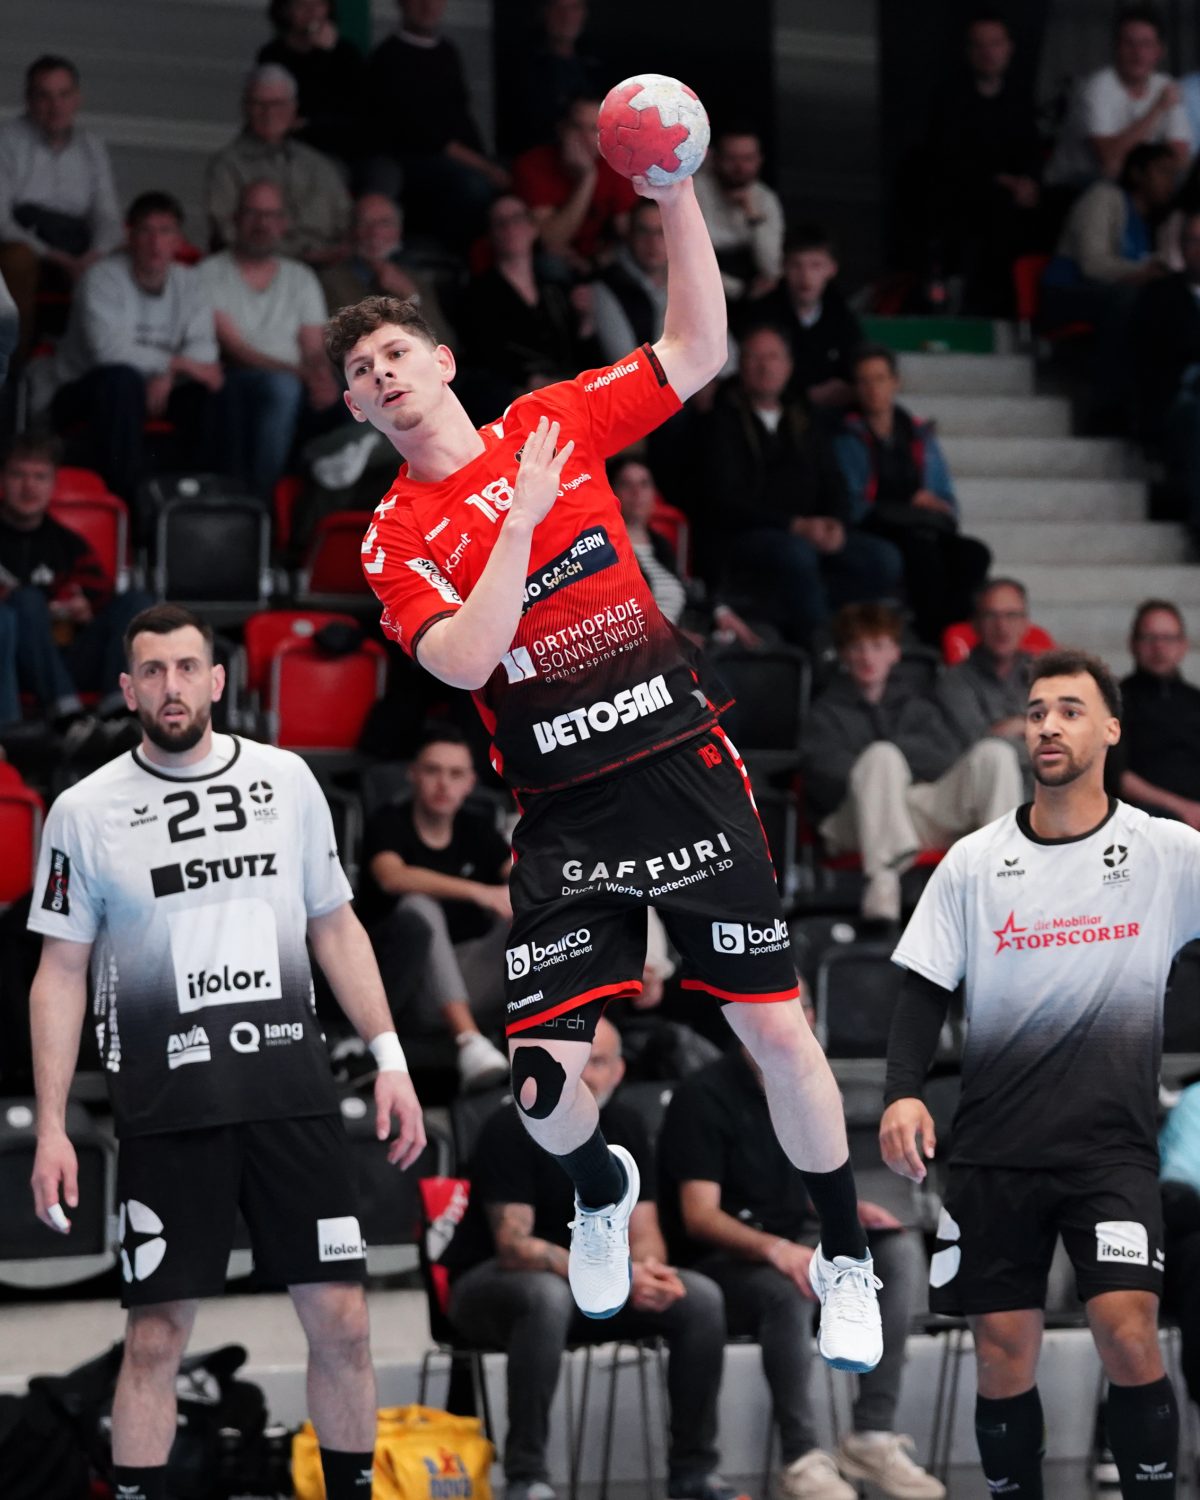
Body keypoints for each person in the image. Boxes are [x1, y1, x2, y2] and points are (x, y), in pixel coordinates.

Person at [327, 160, 882, 1363]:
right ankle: (595, 1193)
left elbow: (697, 345)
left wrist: (675, 187)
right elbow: (470, 663)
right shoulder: (394, 536)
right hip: (564, 812)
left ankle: (845, 1260)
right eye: (360, 376)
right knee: (539, 1091)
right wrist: (519, 525)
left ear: (442, 366)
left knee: (779, 1035)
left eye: (395, 357)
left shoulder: (552, 420)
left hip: (681, 762)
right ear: (360, 415)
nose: (381, 376)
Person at [26, 602, 425, 1500]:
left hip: (291, 1091)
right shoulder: (85, 812)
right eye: (153, 672)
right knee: (156, 1339)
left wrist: (392, 1057)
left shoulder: (286, 782)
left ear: (217, 680)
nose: (172, 686)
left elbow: (336, 925)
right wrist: (53, 1125)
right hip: (171, 1110)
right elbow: (58, 973)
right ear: (129, 690)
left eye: (186, 668)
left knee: (344, 1322)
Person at [881, 648, 1193, 1498]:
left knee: (1129, 1334)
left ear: (1111, 729)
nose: (1048, 725)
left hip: (1110, 1152)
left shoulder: (1166, 853)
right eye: (1037, 711)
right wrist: (902, 1090)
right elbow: (921, 989)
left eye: (1069, 710)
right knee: (1001, 1354)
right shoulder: (974, 862)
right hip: (993, 1150)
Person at [448, 1017, 739, 1500]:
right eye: (576, 1061)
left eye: (598, 1062)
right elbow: (514, 1244)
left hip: (596, 1284)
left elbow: (645, 1231)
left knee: (699, 1297)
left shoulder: (626, 1125)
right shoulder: (509, 1125)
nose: (586, 1075)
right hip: (496, 1286)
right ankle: (527, 1478)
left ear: (620, 1071)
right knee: (545, 1298)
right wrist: (616, 1274)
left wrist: (644, 1272)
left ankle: (693, 1472)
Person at [660, 1039, 943, 1500]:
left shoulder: (803, 1085)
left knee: (895, 1252)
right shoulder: (702, 1095)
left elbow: (800, 1185)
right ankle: (801, 1457)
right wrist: (776, 1250)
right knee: (787, 1286)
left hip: (793, 1240)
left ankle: (871, 1434)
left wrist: (849, 1211)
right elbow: (700, 1215)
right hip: (721, 1264)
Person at [801, 603, 1023, 923]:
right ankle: (883, 882)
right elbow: (824, 780)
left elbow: (946, 756)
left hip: (915, 813)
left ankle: (1003, 878)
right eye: (858, 648)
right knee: (880, 758)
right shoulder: (825, 711)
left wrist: (895, 768)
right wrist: (881, 769)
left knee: (995, 754)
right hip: (857, 820)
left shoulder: (918, 702)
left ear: (894, 652)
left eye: (877, 646)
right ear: (844, 655)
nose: (867, 657)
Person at [703, 326, 902, 646]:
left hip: (809, 532)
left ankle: (827, 626)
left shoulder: (805, 416)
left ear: (789, 366)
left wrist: (835, 523)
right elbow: (726, 499)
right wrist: (794, 525)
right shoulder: (720, 420)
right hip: (748, 536)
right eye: (754, 357)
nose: (765, 366)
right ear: (741, 366)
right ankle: (821, 646)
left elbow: (833, 479)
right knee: (797, 556)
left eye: (773, 357)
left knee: (884, 559)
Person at [357, 724, 513, 1090]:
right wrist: (481, 892)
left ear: (471, 782)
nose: (444, 784)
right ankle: (470, 1042)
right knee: (419, 909)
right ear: (413, 775)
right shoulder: (388, 823)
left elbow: (521, 878)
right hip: (410, 989)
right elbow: (392, 877)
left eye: (455, 773)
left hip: (473, 976)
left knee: (535, 913)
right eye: (433, 770)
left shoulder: (477, 829)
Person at [44, 192, 222, 509]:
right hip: (80, 391)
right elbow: (109, 353)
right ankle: (127, 505)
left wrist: (168, 373)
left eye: (165, 231)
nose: (155, 242)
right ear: (130, 236)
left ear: (179, 241)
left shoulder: (191, 281)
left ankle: (201, 505)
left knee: (213, 392)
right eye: (146, 230)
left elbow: (206, 354)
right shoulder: (101, 277)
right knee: (121, 380)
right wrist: (174, 364)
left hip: (159, 392)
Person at [835, 345, 990, 644]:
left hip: (921, 524)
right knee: (924, 556)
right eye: (864, 380)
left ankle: (951, 637)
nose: (872, 388)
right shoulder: (846, 436)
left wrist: (936, 504)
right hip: (876, 525)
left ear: (896, 382)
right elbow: (851, 504)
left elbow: (947, 501)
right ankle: (934, 640)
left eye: (880, 378)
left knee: (975, 555)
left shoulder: (919, 433)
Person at [200, 179, 341, 498]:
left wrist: (321, 377)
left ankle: (322, 493)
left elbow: (313, 346)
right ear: (236, 218)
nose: (262, 223)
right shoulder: (208, 273)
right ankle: (259, 503)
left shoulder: (300, 276)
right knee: (282, 389)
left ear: (283, 223)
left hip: (297, 379)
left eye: (271, 214)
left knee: (362, 398)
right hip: (236, 380)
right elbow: (234, 349)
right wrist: (301, 374)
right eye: (253, 213)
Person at [0, 435, 152, 728]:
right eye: (19, 475)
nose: (29, 486)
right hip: (13, 660)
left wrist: (84, 609)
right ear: (3, 479)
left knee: (137, 603)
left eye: (39, 477)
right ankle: (67, 718)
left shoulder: (67, 543)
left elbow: (100, 598)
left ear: (52, 484)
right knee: (26, 601)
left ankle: (119, 712)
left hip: (69, 654)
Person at [0, 55, 123, 357]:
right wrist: (56, 257)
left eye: (63, 95)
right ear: (29, 100)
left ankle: (107, 361)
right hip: (28, 244)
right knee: (17, 259)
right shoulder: (7, 141)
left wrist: (95, 254)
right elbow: (1, 222)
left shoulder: (91, 147)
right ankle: (15, 362)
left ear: (77, 99)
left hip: (77, 245)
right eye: (44, 96)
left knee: (131, 255)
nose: (55, 107)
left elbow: (107, 215)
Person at [926, 12, 1044, 316]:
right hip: (966, 197)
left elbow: (1031, 150)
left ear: (1009, 48)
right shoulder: (950, 98)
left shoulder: (1020, 98)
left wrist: (1029, 182)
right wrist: (1001, 181)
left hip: (1015, 200)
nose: (988, 52)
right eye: (980, 45)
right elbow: (948, 159)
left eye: (995, 44)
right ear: (968, 52)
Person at [364, 0, 508, 247]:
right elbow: (426, 134)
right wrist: (485, 167)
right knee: (475, 186)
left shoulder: (447, 51)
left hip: (457, 156)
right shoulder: (389, 56)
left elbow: (462, 117)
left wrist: (488, 161)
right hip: (413, 161)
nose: (429, 6)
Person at [457, 194, 600, 408]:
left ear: (533, 229)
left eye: (517, 219)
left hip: (568, 386)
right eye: (500, 223)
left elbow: (580, 352)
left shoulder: (554, 289)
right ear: (491, 234)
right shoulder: (478, 292)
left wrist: (586, 319)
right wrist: (533, 381)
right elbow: (487, 352)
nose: (510, 228)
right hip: (522, 395)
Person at [206, 64, 351, 267]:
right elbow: (226, 234)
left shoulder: (318, 164)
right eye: (259, 103)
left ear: (293, 108)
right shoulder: (227, 166)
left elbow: (346, 222)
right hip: (257, 269)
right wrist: (298, 258)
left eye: (278, 103)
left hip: (328, 270)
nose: (269, 112)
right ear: (246, 107)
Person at [1046, 3, 1190, 189]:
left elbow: (1180, 155)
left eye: (1146, 44)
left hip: (1131, 182)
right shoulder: (1096, 88)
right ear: (1116, 47)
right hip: (1073, 185)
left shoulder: (1165, 85)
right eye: (1129, 43)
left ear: (1159, 51)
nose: (1138, 53)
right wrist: (1157, 108)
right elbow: (1109, 158)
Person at [512, 96, 638, 276]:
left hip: (596, 259)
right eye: (577, 127)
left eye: (593, 129)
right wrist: (587, 178)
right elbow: (550, 242)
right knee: (551, 265)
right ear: (562, 129)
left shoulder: (615, 164)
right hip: (547, 260)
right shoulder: (532, 165)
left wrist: (600, 258)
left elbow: (629, 234)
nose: (585, 138)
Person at [743, 224, 864, 410]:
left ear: (831, 269)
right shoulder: (761, 314)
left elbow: (856, 367)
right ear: (783, 267)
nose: (806, 277)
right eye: (796, 265)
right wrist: (805, 396)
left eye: (816, 266)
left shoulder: (843, 316)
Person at [1132, 208, 1200, 528]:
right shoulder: (1159, 295)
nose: (1198, 249)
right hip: (1177, 401)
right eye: (1192, 241)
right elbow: (1152, 364)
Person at [937, 577, 1038, 782]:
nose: (1002, 626)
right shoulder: (954, 681)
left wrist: (1016, 726)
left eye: (1012, 615)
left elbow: (1070, 742)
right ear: (975, 624)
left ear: (1026, 623)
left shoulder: (1046, 674)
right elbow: (976, 748)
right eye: (991, 616)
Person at [318, 194, 453, 344]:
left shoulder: (413, 279)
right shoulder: (330, 281)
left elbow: (445, 344)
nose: (374, 232)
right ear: (351, 231)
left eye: (384, 223)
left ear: (399, 230)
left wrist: (410, 296)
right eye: (364, 223)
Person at [1116, 600, 1200, 825]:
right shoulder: (1116, 701)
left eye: (1168, 638)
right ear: (1133, 644)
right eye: (1149, 638)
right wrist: (1184, 809)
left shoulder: (1196, 701)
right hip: (1145, 815)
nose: (1159, 647)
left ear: (1183, 645)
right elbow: (1117, 776)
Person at [257, 0, 365, 167]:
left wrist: (326, 55)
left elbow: (351, 111)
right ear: (286, 10)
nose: (312, 13)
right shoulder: (272, 54)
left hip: (334, 146)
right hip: (284, 143)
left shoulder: (345, 54)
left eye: (319, 5)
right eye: (301, 5)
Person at [499, 0, 607, 158]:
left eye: (574, 8)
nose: (566, 16)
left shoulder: (597, 61)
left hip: (598, 155)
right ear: (545, 12)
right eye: (558, 8)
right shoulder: (520, 64)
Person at [692, 127, 785, 305]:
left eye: (747, 159)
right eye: (732, 158)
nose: (739, 167)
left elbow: (772, 269)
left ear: (759, 160)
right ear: (716, 159)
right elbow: (691, 258)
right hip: (705, 288)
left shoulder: (765, 199)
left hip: (751, 293)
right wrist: (738, 290)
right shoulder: (695, 190)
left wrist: (752, 215)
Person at [591, 198, 671, 366]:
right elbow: (626, 365)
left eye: (661, 232)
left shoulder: (686, 280)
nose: (653, 242)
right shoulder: (607, 286)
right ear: (630, 234)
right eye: (644, 231)